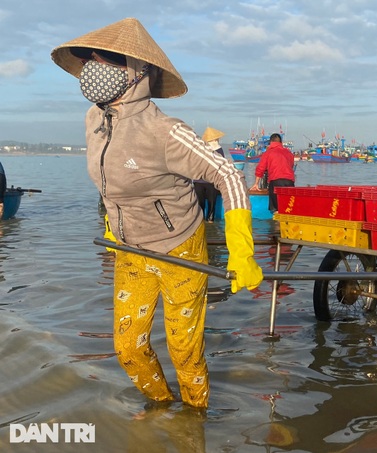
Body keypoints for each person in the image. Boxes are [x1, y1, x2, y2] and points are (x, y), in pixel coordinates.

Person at [51, 18, 263, 409]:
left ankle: (196, 420)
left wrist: (241, 250)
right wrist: (113, 228)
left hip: (180, 249)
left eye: (106, 58)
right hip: (131, 250)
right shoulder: (93, 120)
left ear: (136, 72)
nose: (93, 64)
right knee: (128, 347)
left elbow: (229, 176)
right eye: (90, 57)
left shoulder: (166, 132)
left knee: (184, 350)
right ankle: (163, 409)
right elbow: (108, 184)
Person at [249, 133, 295, 213]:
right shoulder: (289, 153)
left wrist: (256, 183)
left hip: (276, 182)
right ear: (281, 142)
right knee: (288, 210)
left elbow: (260, 169)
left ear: (270, 142)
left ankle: (277, 224)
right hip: (289, 182)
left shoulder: (268, 153)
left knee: (277, 210)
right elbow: (291, 166)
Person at [194, 127, 226, 222]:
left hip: (204, 180)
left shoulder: (215, 150)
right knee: (208, 203)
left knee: (203, 204)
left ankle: (206, 220)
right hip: (205, 180)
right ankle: (208, 220)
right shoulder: (207, 149)